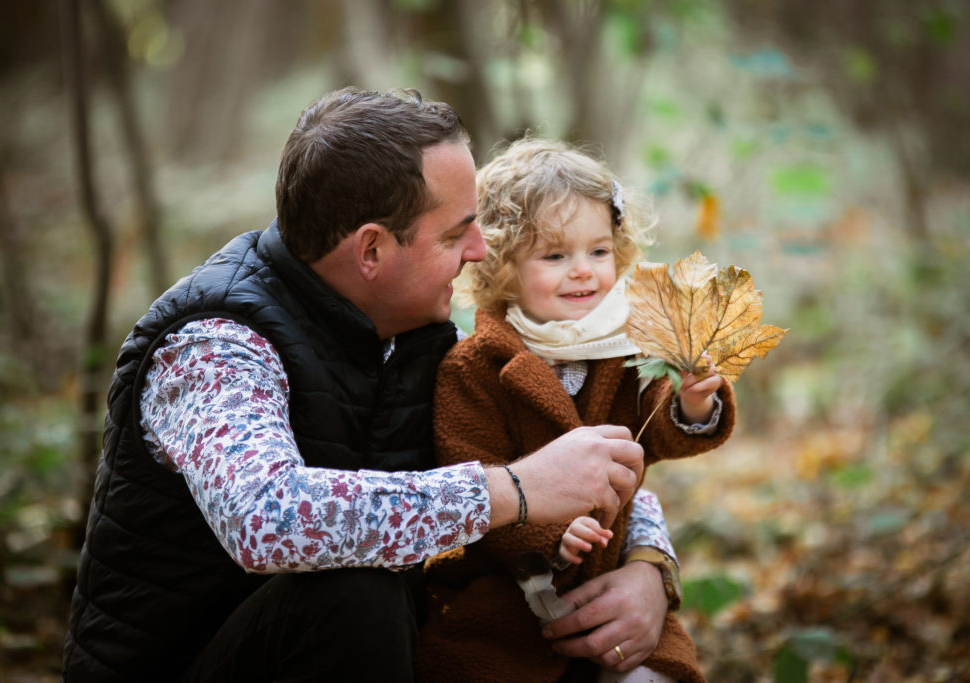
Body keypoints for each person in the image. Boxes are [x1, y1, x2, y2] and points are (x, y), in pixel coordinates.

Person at [62, 89, 676, 682]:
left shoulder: (419, 336)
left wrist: (650, 566)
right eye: (454, 232)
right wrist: (510, 490)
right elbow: (266, 518)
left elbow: (554, 455)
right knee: (354, 590)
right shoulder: (215, 347)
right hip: (194, 663)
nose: (479, 249)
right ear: (372, 250)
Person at [415, 138, 737, 682]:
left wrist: (691, 399)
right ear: (502, 265)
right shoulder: (473, 367)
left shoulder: (626, 341)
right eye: (555, 255)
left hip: (611, 569)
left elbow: (655, 428)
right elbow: (468, 470)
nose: (583, 271)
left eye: (598, 251)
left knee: (650, 673)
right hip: (506, 601)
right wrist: (544, 537)